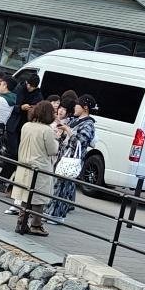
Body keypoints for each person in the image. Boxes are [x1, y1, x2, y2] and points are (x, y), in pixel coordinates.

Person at [11, 99, 59, 234]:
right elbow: (52, 150)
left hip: (23, 165)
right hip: (40, 166)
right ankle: (36, 225)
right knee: (38, 198)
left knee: (25, 195)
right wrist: (57, 139)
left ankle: (21, 222)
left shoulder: (26, 125)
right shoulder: (47, 130)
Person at [47, 96, 96, 224]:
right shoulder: (76, 120)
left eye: (77, 105)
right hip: (63, 156)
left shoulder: (88, 124)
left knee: (64, 187)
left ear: (85, 107)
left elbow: (81, 142)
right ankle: (50, 213)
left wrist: (68, 130)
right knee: (58, 186)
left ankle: (57, 215)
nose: (74, 107)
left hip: (72, 159)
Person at [0, 69, 39, 192]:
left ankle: (6, 182)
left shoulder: (37, 93)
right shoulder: (18, 89)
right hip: (13, 126)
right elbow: (10, 105)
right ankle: (2, 181)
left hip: (25, 128)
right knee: (13, 154)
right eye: (30, 86)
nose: (30, 89)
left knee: (19, 156)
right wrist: (21, 107)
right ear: (27, 83)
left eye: (33, 87)